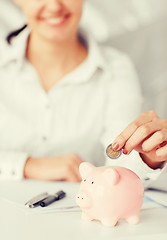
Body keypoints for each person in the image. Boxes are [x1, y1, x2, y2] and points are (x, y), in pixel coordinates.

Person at [0, 0, 166, 187]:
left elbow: (121, 168)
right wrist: (28, 165)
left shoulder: (117, 68)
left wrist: (147, 158)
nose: (54, 6)